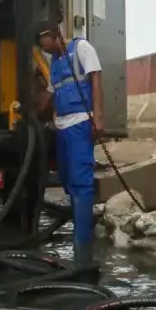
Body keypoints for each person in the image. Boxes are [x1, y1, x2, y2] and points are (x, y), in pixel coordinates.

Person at [35, 20, 102, 266]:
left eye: (47, 45)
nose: (47, 51)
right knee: (69, 182)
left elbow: (96, 79)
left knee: (82, 183)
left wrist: (99, 119)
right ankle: (79, 236)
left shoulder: (81, 48)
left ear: (53, 35)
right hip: (62, 126)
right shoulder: (54, 62)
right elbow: (51, 95)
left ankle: (82, 248)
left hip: (81, 122)